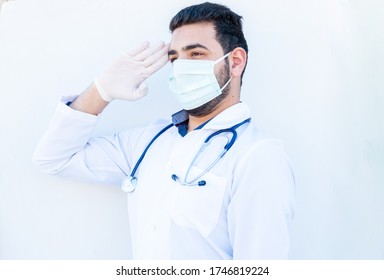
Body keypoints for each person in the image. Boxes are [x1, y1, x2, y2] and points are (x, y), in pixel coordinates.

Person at [33, 2, 295, 259]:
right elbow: (55, 158)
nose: (181, 67)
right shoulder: (150, 141)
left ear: (235, 62)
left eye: (195, 54)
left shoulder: (258, 155)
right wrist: (101, 90)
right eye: (175, 58)